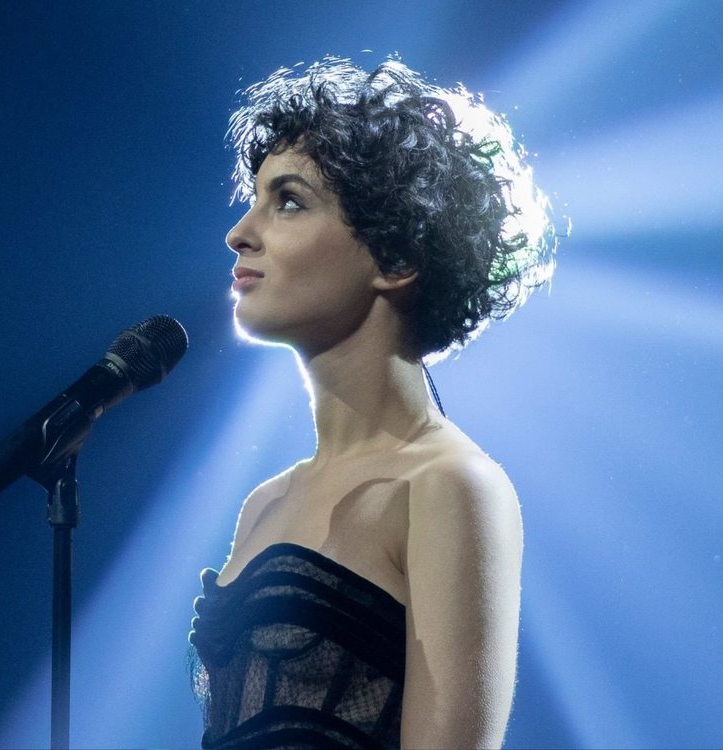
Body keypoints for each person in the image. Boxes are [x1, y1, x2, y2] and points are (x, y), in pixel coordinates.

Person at [189, 56, 559, 750]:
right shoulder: (263, 504)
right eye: (254, 198)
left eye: (288, 201)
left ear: (396, 258)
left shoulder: (449, 487)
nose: (240, 232)